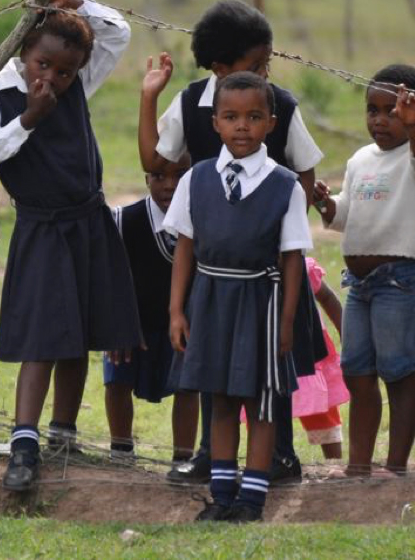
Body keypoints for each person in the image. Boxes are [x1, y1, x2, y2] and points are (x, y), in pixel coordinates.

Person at [139, 0, 326, 484]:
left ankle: (281, 455)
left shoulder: (279, 104)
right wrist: (149, 97)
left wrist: (281, 228)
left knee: (272, 363)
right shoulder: (189, 104)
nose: (265, 73)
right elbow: (156, 161)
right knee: (212, 360)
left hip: (267, 271)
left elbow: (305, 169)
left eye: (268, 63)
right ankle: (210, 455)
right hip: (214, 271)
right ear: (220, 69)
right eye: (255, 64)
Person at [0, 0, 141, 492]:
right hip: (41, 228)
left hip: (88, 221)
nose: (52, 78)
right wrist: (28, 119)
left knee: (78, 335)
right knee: (43, 336)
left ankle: (64, 436)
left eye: (65, 71)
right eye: (43, 65)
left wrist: (76, 4)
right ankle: (25, 444)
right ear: (25, 52)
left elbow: (118, 33)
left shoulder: (77, 83)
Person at [165, 73, 310, 523]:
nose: (242, 126)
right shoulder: (196, 178)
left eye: (253, 117)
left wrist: (287, 321)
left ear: (271, 123)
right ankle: (223, 496)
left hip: (260, 304)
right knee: (221, 400)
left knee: (259, 403)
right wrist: (176, 310)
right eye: (230, 117)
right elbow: (185, 246)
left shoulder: (286, 185)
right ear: (215, 123)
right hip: (209, 301)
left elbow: (292, 259)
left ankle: (252, 501)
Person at [314, 65, 415, 475]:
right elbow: (346, 215)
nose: (380, 120)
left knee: (397, 372)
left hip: (400, 284)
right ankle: (358, 466)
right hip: (360, 286)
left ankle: (395, 467)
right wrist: (325, 204)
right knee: (357, 372)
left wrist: (414, 126)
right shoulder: (360, 160)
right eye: (373, 110)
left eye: (394, 111)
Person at [104, 154, 198, 463]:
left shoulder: (204, 221)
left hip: (184, 323)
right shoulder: (124, 220)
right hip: (133, 321)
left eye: (180, 175)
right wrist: (118, 324)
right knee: (117, 377)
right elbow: (109, 276)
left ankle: (183, 459)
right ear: (146, 178)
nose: (169, 185)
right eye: (158, 176)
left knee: (188, 386)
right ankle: (121, 450)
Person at [291, 258, 349, 460]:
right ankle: (275, 458)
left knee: (323, 410)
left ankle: (334, 461)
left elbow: (328, 298)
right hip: (272, 352)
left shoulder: (303, 268)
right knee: (271, 413)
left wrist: (346, 334)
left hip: (311, 351)